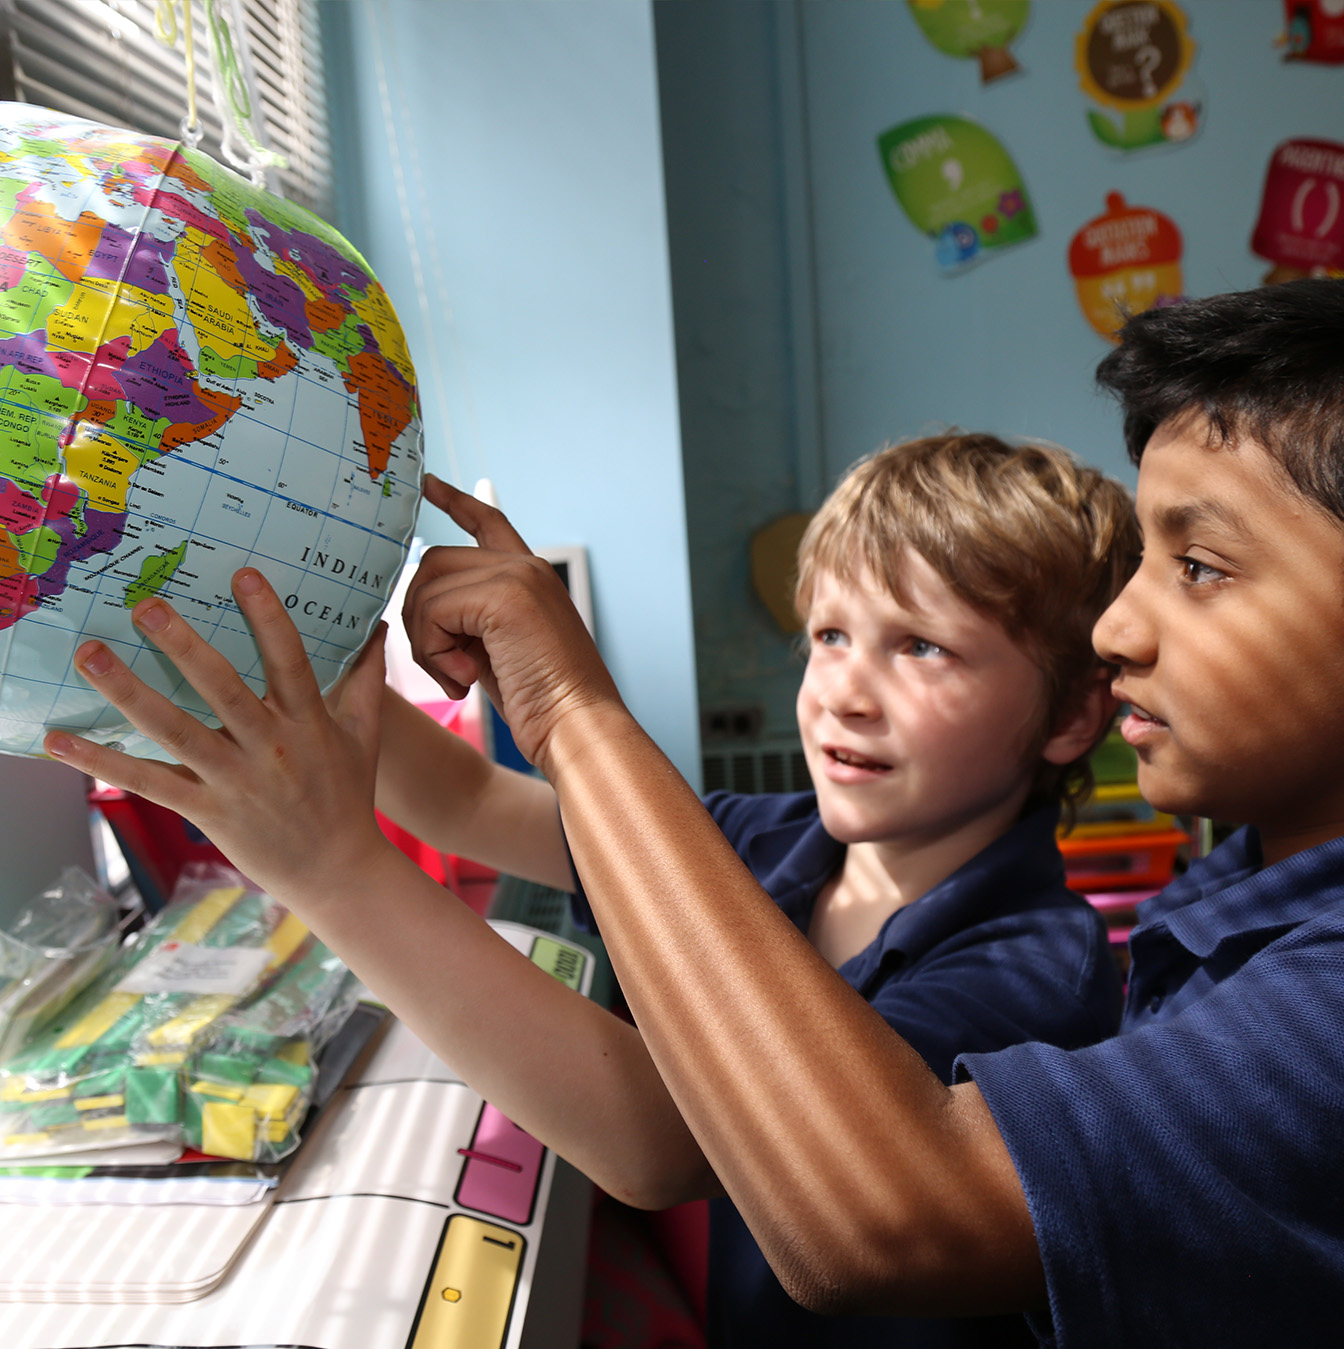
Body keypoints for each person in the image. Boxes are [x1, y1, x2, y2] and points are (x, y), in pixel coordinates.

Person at [44, 432, 1135, 1349]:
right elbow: (475, 802)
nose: (847, 690)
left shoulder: (1032, 966)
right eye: (833, 635)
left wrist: (331, 869)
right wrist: (320, 625)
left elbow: (656, 1140)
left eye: (924, 649)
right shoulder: (764, 836)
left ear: (1072, 716)